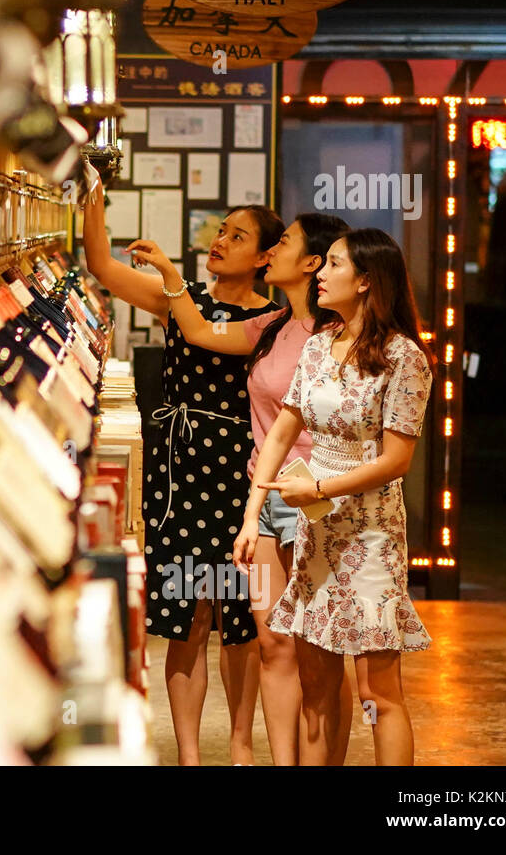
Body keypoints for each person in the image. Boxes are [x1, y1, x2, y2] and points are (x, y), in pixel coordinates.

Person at [127, 213, 355, 765]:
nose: (270, 250)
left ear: (310, 263)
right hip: (262, 497)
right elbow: (202, 332)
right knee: (270, 639)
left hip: (318, 501)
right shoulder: (272, 325)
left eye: (280, 242)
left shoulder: (341, 335)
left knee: (320, 651)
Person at [80, 162, 282, 765]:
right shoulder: (183, 298)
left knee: (243, 615)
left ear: (268, 257)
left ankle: (242, 746)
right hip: (180, 471)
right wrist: (95, 185)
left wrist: (169, 275)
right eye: (220, 231)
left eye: (237, 236)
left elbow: (201, 337)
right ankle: (191, 755)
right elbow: (102, 265)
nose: (219, 241)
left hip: (243, 474)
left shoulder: (272, 321)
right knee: (187, 613)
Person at [239, 228, 434, 766]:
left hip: (370, 532)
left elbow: (396, 461)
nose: (320, 273)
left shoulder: (405, 358)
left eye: (334, 265)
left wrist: (318, 488)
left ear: (367, 279)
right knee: (315, 686)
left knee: (377, 693)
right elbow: (284, 429)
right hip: (313, 526)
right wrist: (253, 513)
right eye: (321, 263)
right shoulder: (319, 345)